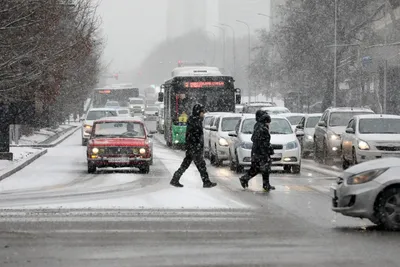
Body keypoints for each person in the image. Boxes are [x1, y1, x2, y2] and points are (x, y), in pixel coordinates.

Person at [170, 104, 217, 188]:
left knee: (185, 164)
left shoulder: (194, 120)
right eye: (202, 112)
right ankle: (206, 182)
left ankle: (175, 179)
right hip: (195, 148)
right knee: (201, 165)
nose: (203, 114)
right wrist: (197, 146)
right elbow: (193, 135)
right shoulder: (195, 121)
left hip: (192, 147)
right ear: (198, 112)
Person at [239, 110, 275, 191]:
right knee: (263, 168)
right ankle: (264, 184)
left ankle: (246, 179)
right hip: (261, 153)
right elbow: (262, 141)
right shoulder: (262, 128)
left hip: (257, 152)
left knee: (257, 168)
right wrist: (267, 149)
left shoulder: (258, 125)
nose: (269, 124)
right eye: (269, 122)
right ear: (265, 121)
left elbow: (256, 139)